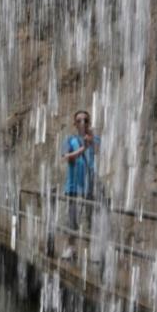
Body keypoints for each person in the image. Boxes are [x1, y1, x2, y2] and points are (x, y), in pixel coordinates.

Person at [60, 109, 100, 260]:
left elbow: (98, 150)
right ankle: (71, 248)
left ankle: (93, 251)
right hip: (73, 186)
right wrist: (83, 147)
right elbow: (66, 157)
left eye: (85, 120)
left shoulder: (94, 139)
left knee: (90, 218)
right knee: (72, 219)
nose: (82, 123)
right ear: (74, 124)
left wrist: (90, 137)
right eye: (79, 120)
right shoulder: (70, 140)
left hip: (89, 186)